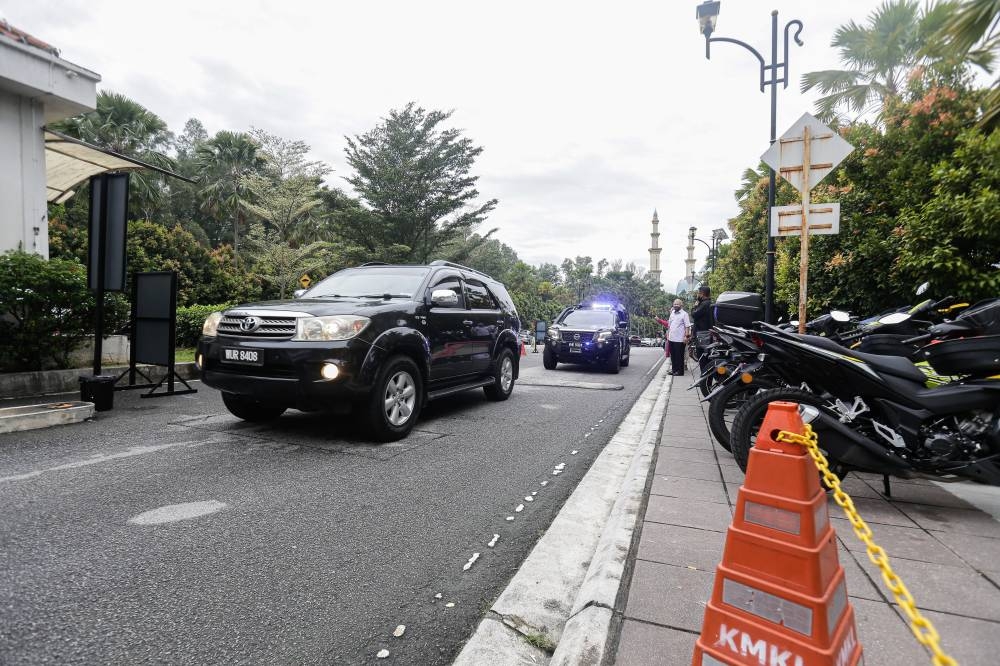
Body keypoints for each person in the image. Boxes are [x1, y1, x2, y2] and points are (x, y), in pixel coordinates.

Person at [656, 299, 691, 376]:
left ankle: (680, 372)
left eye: (677, 304)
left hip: (680, 339)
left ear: (681, 305)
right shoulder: (672, 314)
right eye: (674, 304)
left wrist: (686, 336)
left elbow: (687, 326)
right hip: (671, 338)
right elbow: (669, 324)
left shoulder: (684, 314)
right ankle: (674, 370)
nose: (675, 305)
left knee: (679, 356)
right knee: (673, 356)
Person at [691, 286, 714, 374]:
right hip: (706, 334)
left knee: (703, 359)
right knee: (706, 358)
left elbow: (694, 314)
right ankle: (706, 379)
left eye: (698, 293)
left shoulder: (704, 304)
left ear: (702, 294)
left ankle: (705, 381)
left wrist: (695, 306)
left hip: (703, 335)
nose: (697, 295)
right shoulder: (709, 303)